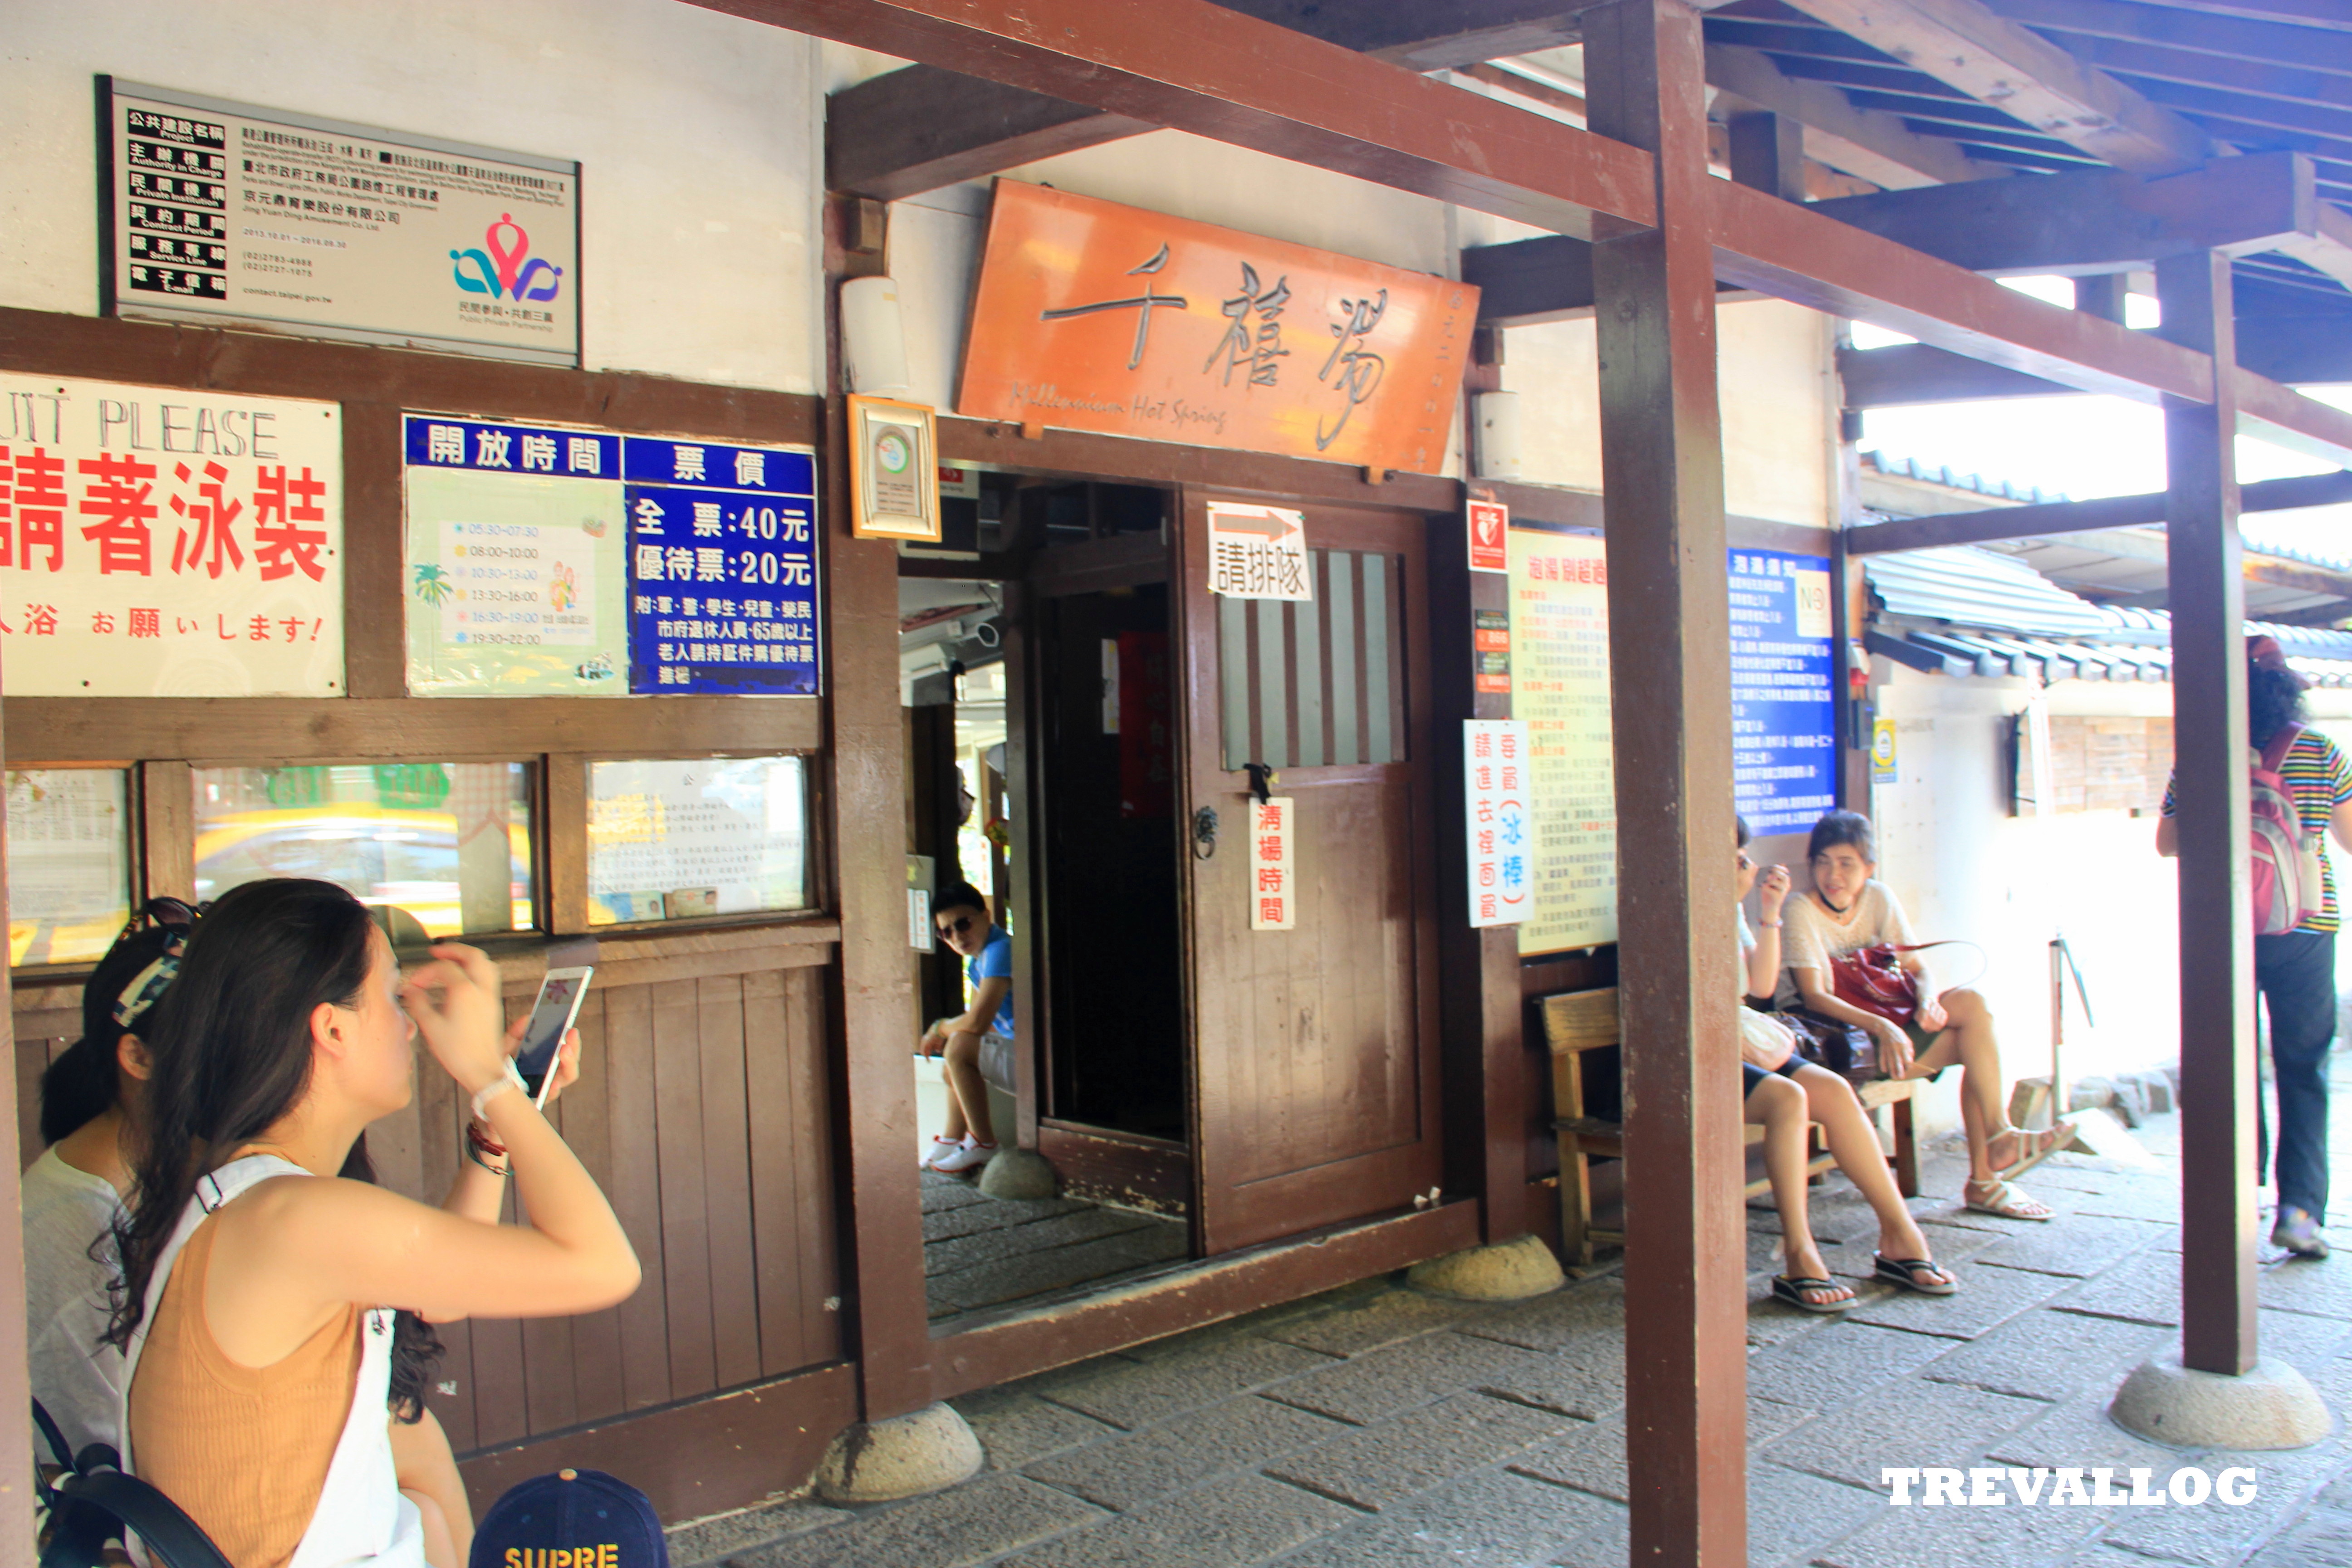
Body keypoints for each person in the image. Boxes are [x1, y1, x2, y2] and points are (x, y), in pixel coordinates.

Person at [106, 879, 636, 1568]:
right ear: (331, 1028)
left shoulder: (241, 1195)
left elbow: (440, 1294)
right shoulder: (293, 1219)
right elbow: (603, 1266)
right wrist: (488, 1077)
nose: (414, 1025)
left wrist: (498, 1132)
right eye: (393, 997)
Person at [2157, 634, 2352, 1259]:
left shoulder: (2201, 755)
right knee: (2304, 1069)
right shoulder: (2323, 752)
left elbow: (2166, 843)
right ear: (2286, 685)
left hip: (2222, 932)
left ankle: (2236, 1195)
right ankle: (2299, 1213)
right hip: (2305, 931)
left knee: (2230, 1066)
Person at [1779, 811, 2074, 1223]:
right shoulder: (1801, 908)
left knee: (1971, 1007)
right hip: (1844, 1038)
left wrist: (1928, 999)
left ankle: (1998, 1140)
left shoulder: (1878, 897)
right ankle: (1988, 1174)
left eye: (1847, 864)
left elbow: (1918, 969)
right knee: (1974, 1041)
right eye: (1823, 862)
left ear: (1869, 868)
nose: (1834, 874)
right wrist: (1882, 1026)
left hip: (1889, 1023)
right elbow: (1814, 995)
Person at [1737, 821, 1957, 1299]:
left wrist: (1767, 912)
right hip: (1693, 1048)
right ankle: (1800, 1255)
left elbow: (1760, 988)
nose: (1743, 866)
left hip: (1741, 1038)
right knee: (1789, 1098)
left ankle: (1901, 1237)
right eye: (1732, 856)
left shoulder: (1731, 906)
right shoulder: (1671, 897)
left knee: (1835, 1092)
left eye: (1741, 855)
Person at [918, 882, 1011, 1176]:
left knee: (958, 1045)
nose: (957, 936)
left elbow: (977, 1022)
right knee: (954, 1060)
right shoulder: (981, 958)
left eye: (963, 923)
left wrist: (939, 1028)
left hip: (1046, 1068)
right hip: (1028, 1055)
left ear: (986, 915)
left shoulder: (1000, 950)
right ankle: (951, 1140)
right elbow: (980, 1024)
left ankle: (983, 1143)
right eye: (946, 932)